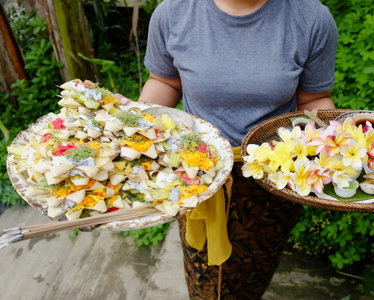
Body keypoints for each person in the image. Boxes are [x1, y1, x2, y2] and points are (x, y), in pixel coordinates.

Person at [118, 0, 338, 298]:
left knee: (254, 270)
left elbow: (313, 101)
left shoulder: (311, 19)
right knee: (204, 278)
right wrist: (134, 124)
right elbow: (165, 81)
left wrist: (339, 146)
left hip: (273, 180)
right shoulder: (173, 13)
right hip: (198, 176)